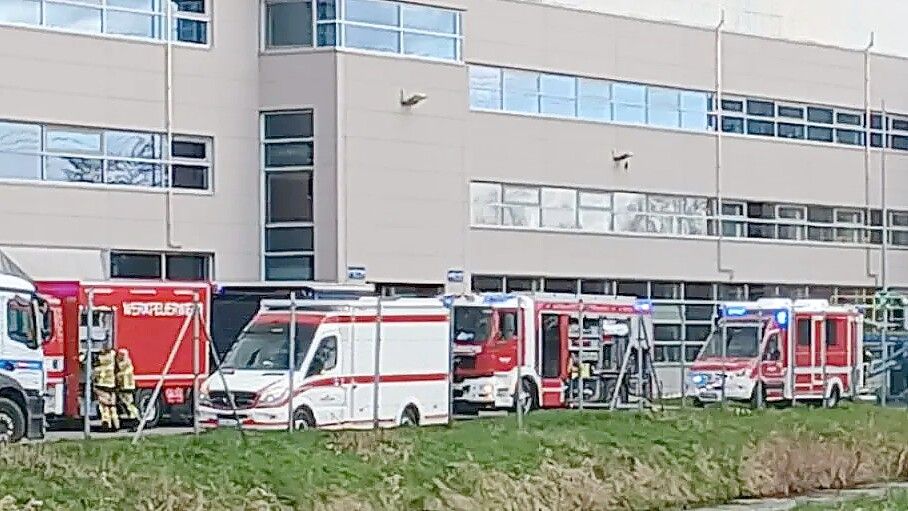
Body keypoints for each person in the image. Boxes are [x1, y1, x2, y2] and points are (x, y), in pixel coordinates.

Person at [93, 345, 118, 431]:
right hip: (112, 386)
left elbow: (95, 369)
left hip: (102, 386)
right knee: (112, 407)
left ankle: (107, 424)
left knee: (104, 407)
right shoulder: (112, 357)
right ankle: (116, 424)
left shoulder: (101, 362)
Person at [115, 348, 140, 424]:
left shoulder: (127, 364)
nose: (120, 356)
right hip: (123, 387)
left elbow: (122, 373)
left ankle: (135, 420)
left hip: (128, 387)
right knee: (126, 404)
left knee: (129, 404)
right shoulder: (122, 363)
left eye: (122, 355)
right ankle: (132, 418)